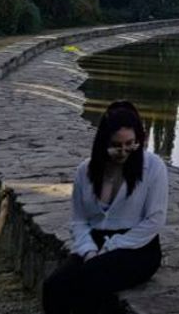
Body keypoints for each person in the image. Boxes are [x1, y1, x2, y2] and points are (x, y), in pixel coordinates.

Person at [42, 100, 168, 314]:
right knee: (53, 286)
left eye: (131, 144)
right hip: (96, 242)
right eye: (116, 146)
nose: (124, 151)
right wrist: (89, 250)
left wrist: (112, 246)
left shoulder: (154, 168)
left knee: (89, 283)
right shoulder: (85, 171)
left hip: (137, 247)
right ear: (103, 142)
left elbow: (154, 220)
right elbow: (79, 220)